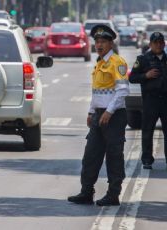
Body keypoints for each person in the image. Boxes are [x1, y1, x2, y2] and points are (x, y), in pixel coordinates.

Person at [68, 25, 129, 206]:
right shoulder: (100, 63)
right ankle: (86, 192)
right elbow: (97, 92)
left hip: (114, 116)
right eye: (97, 41)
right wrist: (91, 112)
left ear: (111, 43)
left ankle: (113, 194)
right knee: (91, 155)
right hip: (99, 115)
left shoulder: (117, 63)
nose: (99, 45)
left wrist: (109, 112)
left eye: (103, 41)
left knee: (113, 155)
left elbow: (122, 91)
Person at [129, 32, 167, 170]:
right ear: (150, 44)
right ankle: (147, 160)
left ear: (164, 44)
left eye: (161, 42)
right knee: (148, 131)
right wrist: (146, 75)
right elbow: (132, 78)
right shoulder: (143, 59)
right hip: (151, 100)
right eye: (155, 42)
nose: (158, 45)